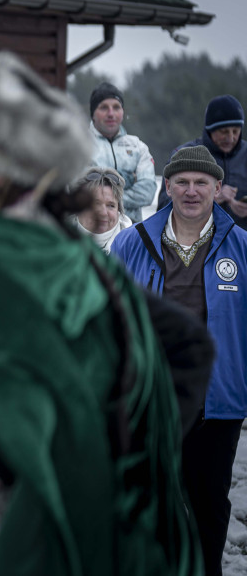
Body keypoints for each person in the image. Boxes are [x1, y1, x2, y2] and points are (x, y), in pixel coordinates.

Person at [0, 51, 205, 576]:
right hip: (107, 515)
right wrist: (125, 455)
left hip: (39, 525)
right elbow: (188, 349)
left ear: (3, 170)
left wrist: (28, 463)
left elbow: (183, 347)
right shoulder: (78, 255)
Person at [112, 144, 247, 576]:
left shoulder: (242, 247)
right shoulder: (131, 243)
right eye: (182, 182)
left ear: (218, 188)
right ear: (166, 186)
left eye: (201, 182)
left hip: (217, 403)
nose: (191, 191)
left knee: (209, 505)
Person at [158, 95, 247, 230]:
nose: (230, 138)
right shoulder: (182, 155)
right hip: (193, 239)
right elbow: (162, 208)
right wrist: (209, 199)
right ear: (210, 130)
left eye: (236, 131)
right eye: (224, 132)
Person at [86, 82, 156, 222]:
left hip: (132, 228)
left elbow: (147, 193)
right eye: (104, 107)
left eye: (116, 107)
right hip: (92, 227)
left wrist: (101, 192)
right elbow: (80, 191)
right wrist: (128, 183)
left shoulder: (138, 147)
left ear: (123, 112)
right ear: (93, 114)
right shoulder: (80, 146)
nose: (111, 114)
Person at [69, 166, 133, 252]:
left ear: (118, 210)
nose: (103, 213)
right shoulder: (58, 238)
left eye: (111, 206)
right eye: (95, 204)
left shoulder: (133, 245)